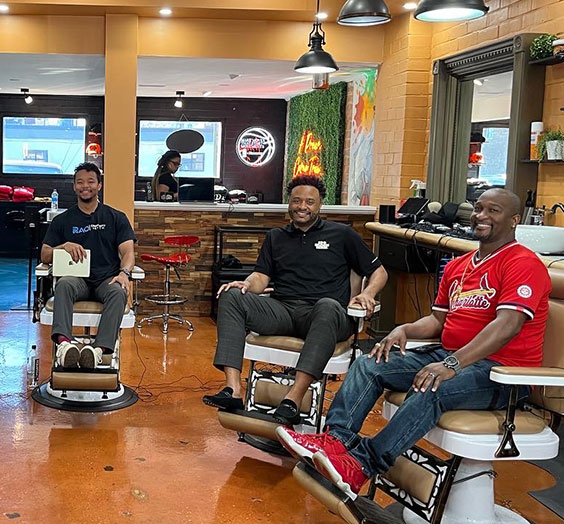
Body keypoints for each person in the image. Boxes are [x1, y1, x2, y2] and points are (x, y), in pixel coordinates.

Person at [277, 188, 549, 500]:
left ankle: (362, 464)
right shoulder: (459, 265)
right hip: (450, 356)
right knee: (370, 363)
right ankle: (335, 440)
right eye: (478, 208)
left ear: (515, 220)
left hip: (501, 372)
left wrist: (451, 364)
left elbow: (508, 325)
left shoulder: (522, 263)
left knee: (431, 386)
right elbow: (439, 321)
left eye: (494, 211)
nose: (481, 216)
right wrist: (405, 329)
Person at [203, 174, 387, 424]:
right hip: (284, 310)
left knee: (327, 305)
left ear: (320, 204)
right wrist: (246, 284)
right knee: (232, 295)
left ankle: (293, 399)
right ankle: (232, 389)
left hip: (327, 316)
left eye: (309, 202)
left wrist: (367, 293)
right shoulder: (276, 237)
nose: (302, 207)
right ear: (289, 203)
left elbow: (379, 271)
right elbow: (261, 276)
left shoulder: (342, 234)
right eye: (297, 201)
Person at [41, 162, 136, 368]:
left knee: (118, 291)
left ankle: (98, 351)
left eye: (91, 181)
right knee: (64, 284)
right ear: (74, 186)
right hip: (78, 281)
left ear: (99, 185)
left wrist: (124, 274)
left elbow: (128, 251)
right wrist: (63, 246)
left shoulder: (116, 218)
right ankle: (65, 346)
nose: (85, 186)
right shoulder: (62, 220)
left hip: (106, 279)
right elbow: (45, 254)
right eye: (80, 182)